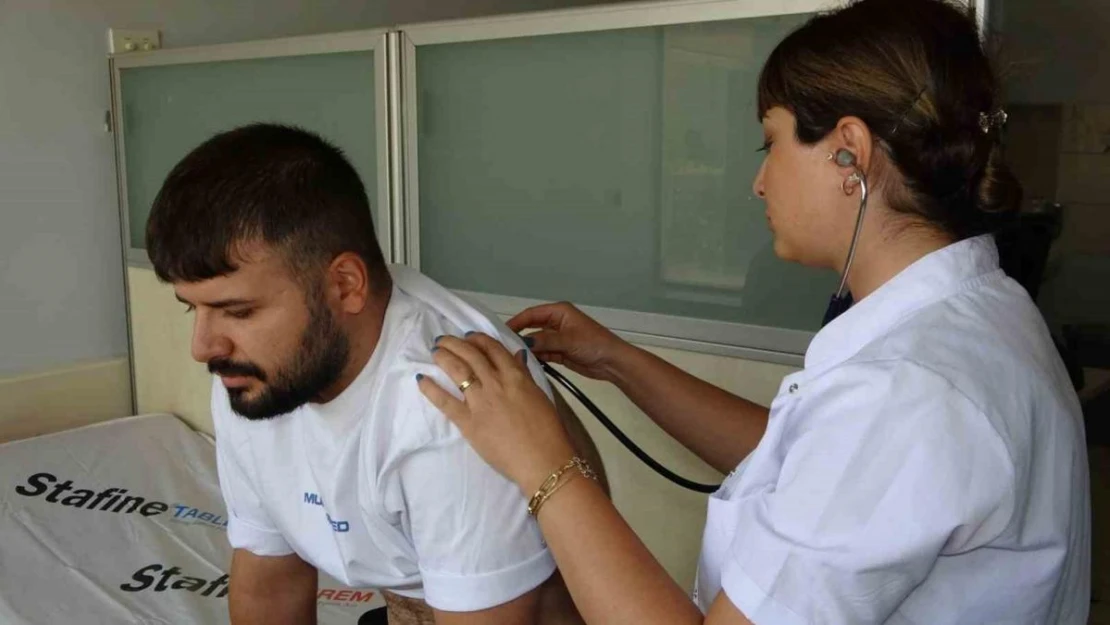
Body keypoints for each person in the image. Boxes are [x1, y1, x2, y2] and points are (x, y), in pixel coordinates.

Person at [416, 0, 1091, 622]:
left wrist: (541, 463)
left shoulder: (907, 390)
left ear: (847, 151)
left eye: (771, 142)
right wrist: (617, 361)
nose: (759, 179)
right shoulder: (979, 311)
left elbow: (855, 451)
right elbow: (806, 462)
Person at [144, 123, 605, 625]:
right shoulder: (255, 373)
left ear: (344, 284)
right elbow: (269, 582)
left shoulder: (446, 402)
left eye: (237, 311)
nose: (203, 348)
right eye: (194, 309)